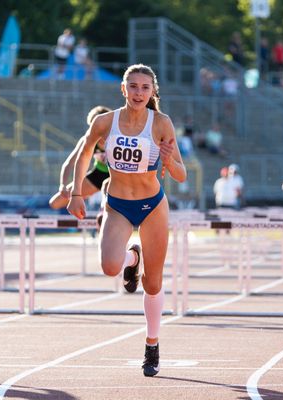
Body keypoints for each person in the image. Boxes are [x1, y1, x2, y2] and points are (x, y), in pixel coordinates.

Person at [67, 64, 186, 377]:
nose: (138, 93)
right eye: (133, 86)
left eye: (145, 88)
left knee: (153, 283)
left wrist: (168, 157)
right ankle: (133, 257)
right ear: (123, 89)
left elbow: (181, 174)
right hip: (118, 205)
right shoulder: (106, 122)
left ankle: (152, 344)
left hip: (152, 207)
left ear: (152, 92)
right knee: (109, 267)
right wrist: (76, 194)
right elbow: (83, 155)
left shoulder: (161, 123)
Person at [49, 105, 112, 210]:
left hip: (116, 176)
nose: (97, 131)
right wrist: (63, 185)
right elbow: (69, 163)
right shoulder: (88, 139)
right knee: (55, 202)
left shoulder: (117, 138)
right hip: (98, 175)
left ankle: (105, 215)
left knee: (106, 189)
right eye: (93, 127)